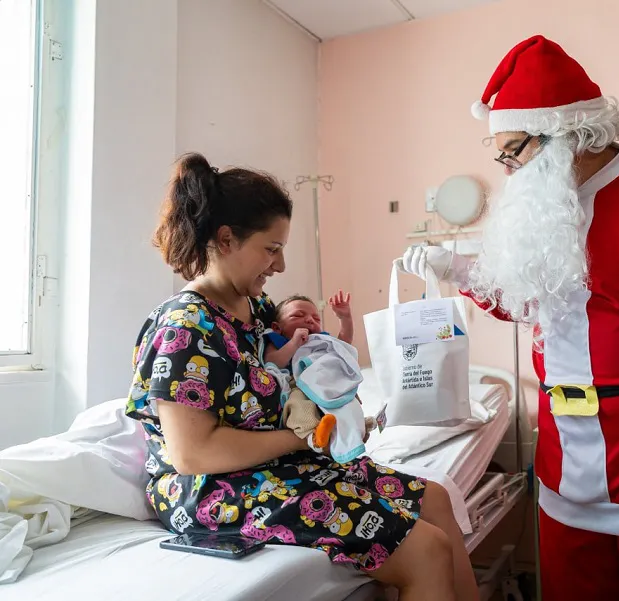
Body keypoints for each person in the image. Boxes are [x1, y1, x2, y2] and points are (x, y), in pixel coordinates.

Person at [402, 35, 619, 601]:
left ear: (566, 135)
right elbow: (525, 296)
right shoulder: (551, 205)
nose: (508, 170)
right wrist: (455, 269)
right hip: (564, 459)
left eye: (514, 151)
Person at [126, 152, 478, 601]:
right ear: (226, 239)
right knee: (426, 550)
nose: (280, 266)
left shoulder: (254, 311)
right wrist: (308, 437)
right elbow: (192, 454)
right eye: (271, 249)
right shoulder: (186, 327)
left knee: (436, 499)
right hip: (214, 488)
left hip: (274, 465)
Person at [264, 292, 374, 464]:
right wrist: (294, 343)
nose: (309, 320)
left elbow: (344, 343)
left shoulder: (321, 339)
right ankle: (314, 437)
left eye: (316, 318)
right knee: (299, 406)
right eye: (298, 315)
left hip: (326, 381)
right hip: (299, 386)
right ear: (277, 327)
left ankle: (354, 427)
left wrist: (345, 318)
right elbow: (272, 362)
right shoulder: (277, 340)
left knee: (349, 399)